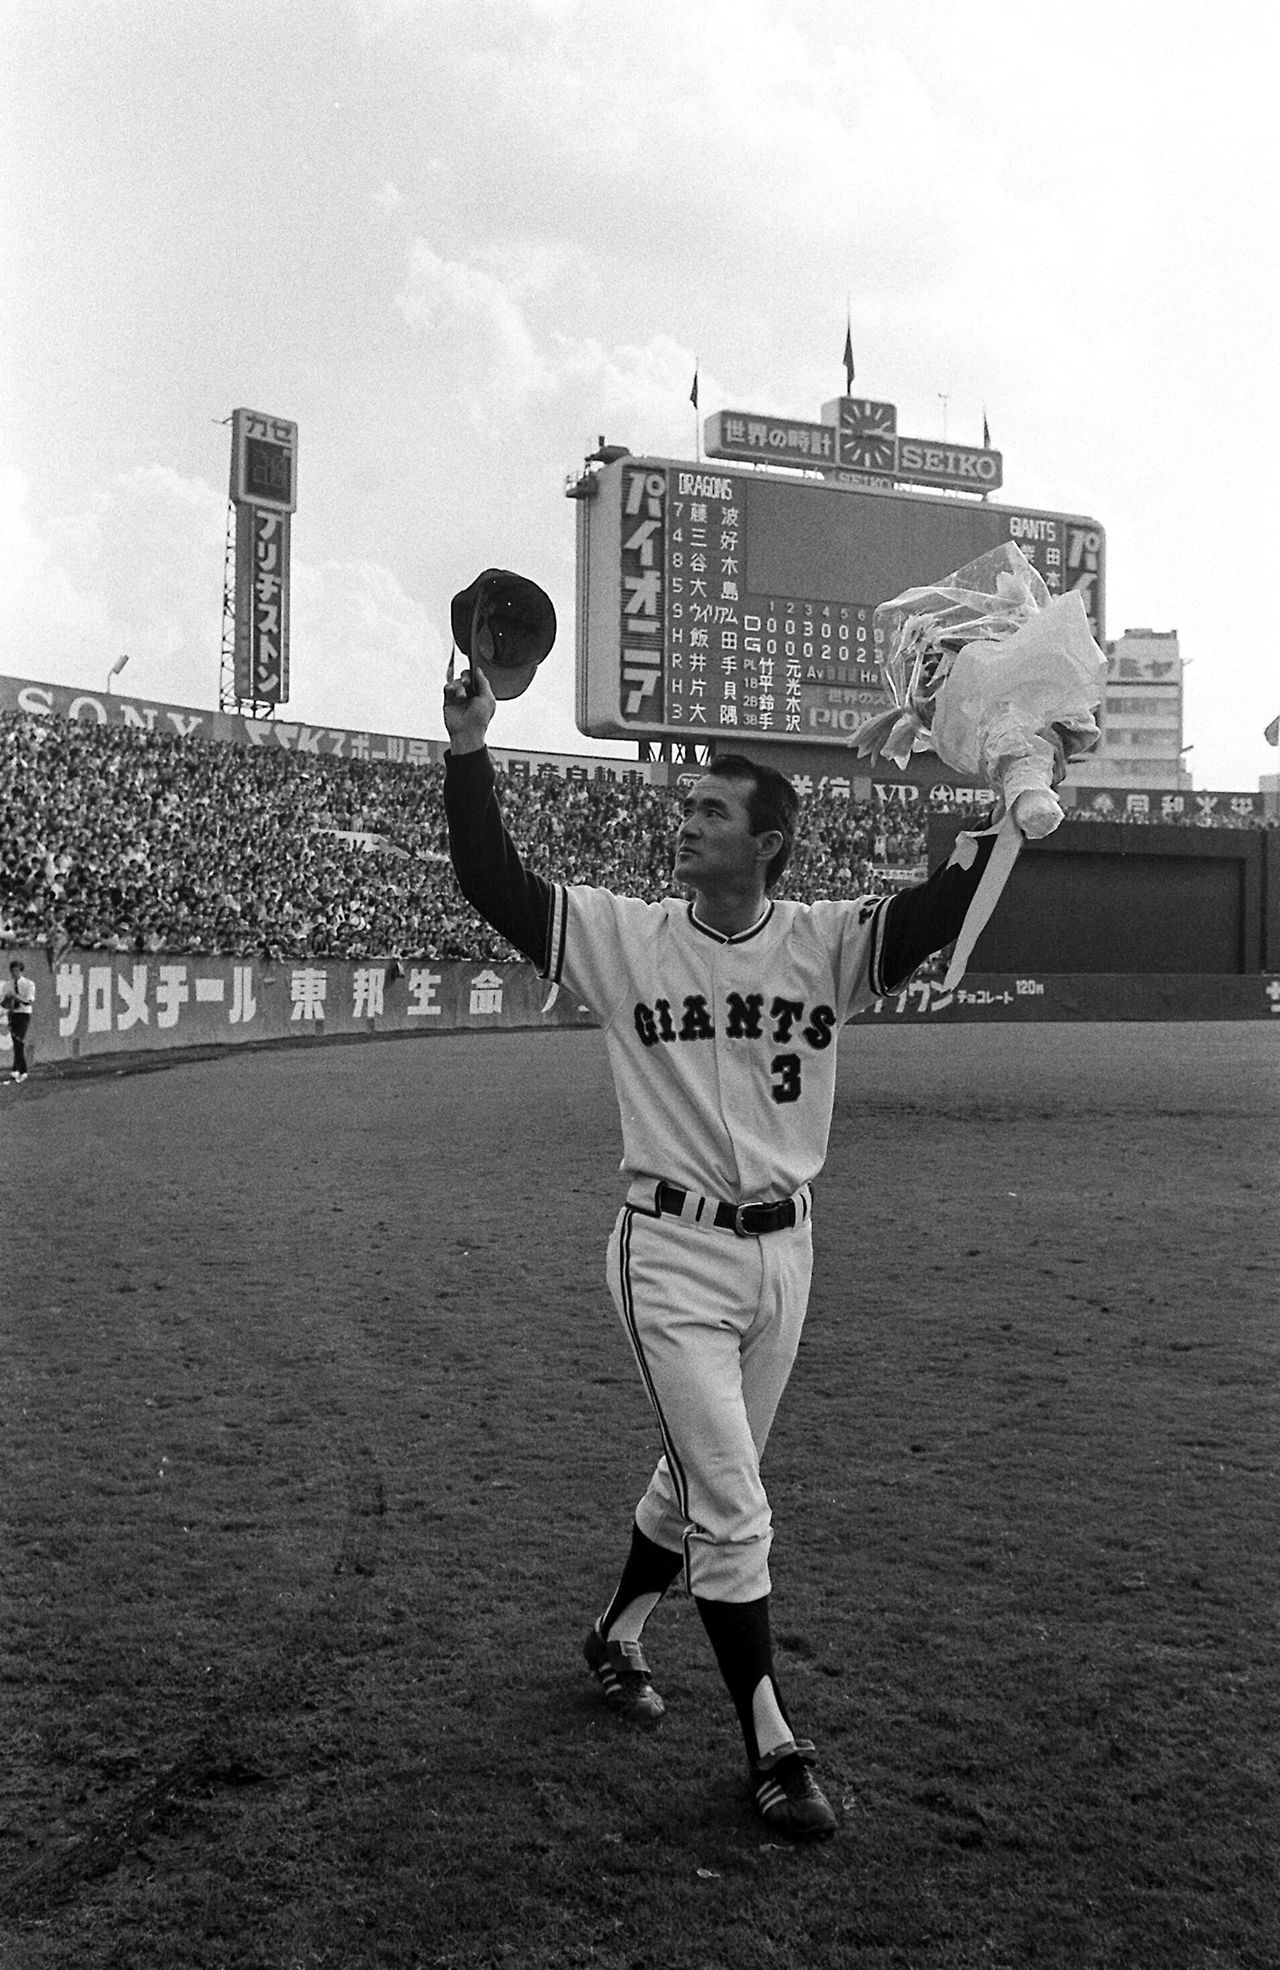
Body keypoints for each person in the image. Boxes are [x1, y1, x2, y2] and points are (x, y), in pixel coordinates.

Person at [441, 660, 1009, 1841]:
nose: (686, 820)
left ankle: (614, 1631)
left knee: (696, 1476)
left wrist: (1013, 800)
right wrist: (467, 747)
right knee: (733, 1501)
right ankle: (771, 1742)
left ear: (768, 844)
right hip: (668, 1253)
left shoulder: (824, 940)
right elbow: (490, 880)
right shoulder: (625, 936)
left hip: (784, 1254)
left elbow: (936, 908)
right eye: (687, 803)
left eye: (711, 809)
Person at [3, 958, 35, 1083]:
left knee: (19, 1041)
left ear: (21, 972)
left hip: (24, 1014)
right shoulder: (8, 985)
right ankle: (18, 1070)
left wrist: (16, 997)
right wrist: (8, 1001)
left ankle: (20, 1070)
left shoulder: (28, 984)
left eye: (17, 971)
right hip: (13, 1014)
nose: (14, 973)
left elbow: (28, 1001)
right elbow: (4, 1003)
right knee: (16, 1042)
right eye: (12, 971)